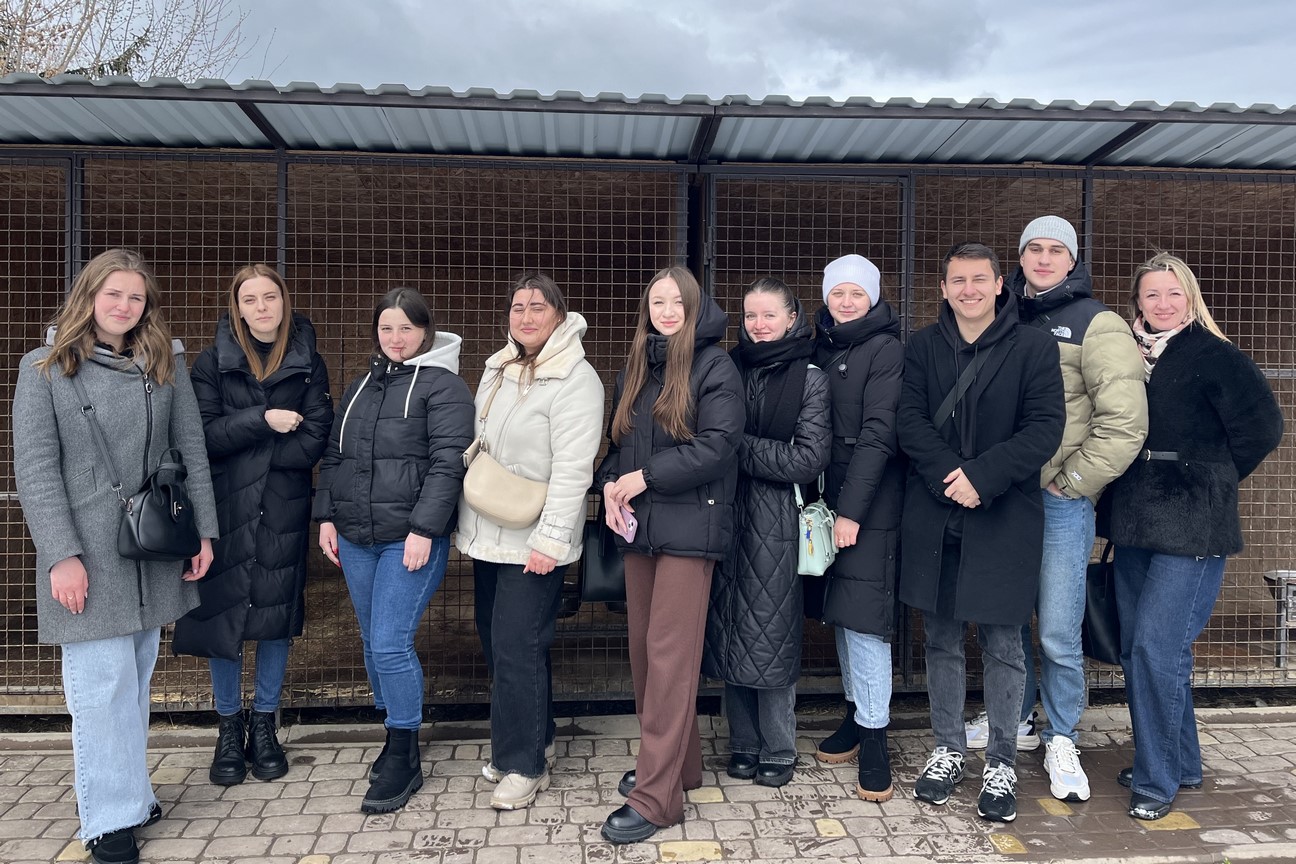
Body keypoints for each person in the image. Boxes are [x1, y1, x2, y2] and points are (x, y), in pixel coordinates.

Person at [13, 248, 219, 864]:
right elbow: (36, 470)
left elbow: (191, 448)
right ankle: (106, 820)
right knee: (99, 688)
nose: (124, 306)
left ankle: (131, 795)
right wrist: (61, 555)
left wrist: (203, 532)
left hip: (151, 544)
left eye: (135, 296)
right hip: (88, 552)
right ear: (89, 297)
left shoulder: (163, 363)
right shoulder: (45, 368)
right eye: (113, 294)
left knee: (132, 682)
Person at [965, 217, 1146, 802]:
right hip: (1003, 495)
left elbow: (1124, 422)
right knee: (1006, 617)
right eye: (1034, 249)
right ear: (1019, 259)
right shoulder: (1002, 316)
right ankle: (1015, 718)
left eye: (1055, 250)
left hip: (1058, 500)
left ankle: (1062, 734)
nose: (1043, 259)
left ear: (1072, 261)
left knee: (1059, 632)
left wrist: (1074, 482)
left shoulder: (1097, 323)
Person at [1106, 253, 1282, 821]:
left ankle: (1156, 780)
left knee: (1158, 648)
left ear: (1190, 298)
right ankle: (1180, 762)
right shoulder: (1129, 356)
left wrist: (1209, 478)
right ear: (1138, 301)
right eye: (1151, 294)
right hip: (1135, 520)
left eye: (1172, 293)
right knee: (1140, 649)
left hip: (1193, 523)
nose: (1162, 304)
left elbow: (1263, 428)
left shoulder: (1215, 355)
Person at [897, 242, 1064, 823]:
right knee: (941, 639)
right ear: (943, 289)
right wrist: (953, 477)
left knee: (1003, 644)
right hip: (936, 510)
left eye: (978, 279)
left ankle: (1000, 761)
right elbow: (909, 421)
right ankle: (948, 749)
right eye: (957, 281)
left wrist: (982, 478)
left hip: (1004, 513)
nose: (968, 290)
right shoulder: (922, 347)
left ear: (999, 285)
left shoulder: (1034, 347)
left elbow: (1044, 428)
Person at [596, 267, 744, 844]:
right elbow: (619, 446)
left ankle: (657, 798)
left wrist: (645, 477)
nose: (666, 310)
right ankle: (680, 769)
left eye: (676, 301)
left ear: (694, 306)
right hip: (641, 531)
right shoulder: (637, 366)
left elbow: (718, 447)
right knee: (644, 652)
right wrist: (611, 486)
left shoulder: (714, 366)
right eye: (656, 301)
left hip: (690, 531)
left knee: (669, 657)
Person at [171, 264, 334, 786]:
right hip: (223, 507)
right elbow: (201, 435)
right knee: (224, 616)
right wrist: (263, 421)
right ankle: (228, 726)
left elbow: (314, 440)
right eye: (250, 299)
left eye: (270, 297)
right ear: (237, 308)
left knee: (273, 616)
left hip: (283, 506)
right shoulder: (211, 362)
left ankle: (264, 724)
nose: (262, 307)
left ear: (284, 302)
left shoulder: (308, 363)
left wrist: (246, 449)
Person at [314, 287, 474, 814]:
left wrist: (425, 528)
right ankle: (392, 733)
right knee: (371, 641)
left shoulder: (444, 386)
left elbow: (449, 462)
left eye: (406, 328)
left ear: (425, 331)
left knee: (389, 643)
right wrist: (327, 516)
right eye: (387, 328)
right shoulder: (362, 384)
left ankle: (406, 753)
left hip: (408, 539)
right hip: (356, 535)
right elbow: (335, 455)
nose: (396, 337)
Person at [456, 273, 604, 810]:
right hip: (490, 527)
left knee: (519, 649)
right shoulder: (498, 368)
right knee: (500, 645)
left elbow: (573, 470)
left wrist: (551, 540)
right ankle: (530, 740)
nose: (526, 316)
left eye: (537, 307)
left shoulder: (577, 379)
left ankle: (524, 765)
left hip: (535, 537)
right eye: (518, 307)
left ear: (559, 316)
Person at [702, 277, 829, 789]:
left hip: (776, 520)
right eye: (751, 315)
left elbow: (808, 459)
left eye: (769, 315)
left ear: (792, 318)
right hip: (727, 510)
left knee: (771, 635)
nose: (758, 325)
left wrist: (734, 446)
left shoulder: (810, 378)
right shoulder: (729, 368)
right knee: (731, 626)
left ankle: (778, 746)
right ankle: (743, 743)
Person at [808, 255, 905, 803]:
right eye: (838, 292)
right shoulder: (822, 345)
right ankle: (854, 715)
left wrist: (851, 512)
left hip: (867, 504)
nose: (846, 302)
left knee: (865, 619)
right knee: (841, 612)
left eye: (857, 293)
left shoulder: (885, 349)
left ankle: (875, 739)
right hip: (827, 499)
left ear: (873, 297)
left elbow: (878, 434)